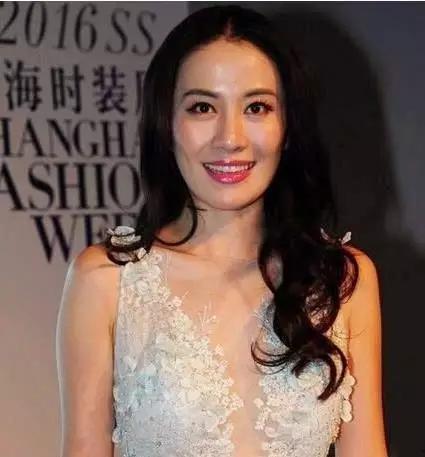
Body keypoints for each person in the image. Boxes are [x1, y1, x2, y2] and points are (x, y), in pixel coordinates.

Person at [56, 5, 388, 457]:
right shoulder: (107, 280)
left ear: (288, 127)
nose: (230, 138)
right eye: (202, 107)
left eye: (256, 107)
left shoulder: (341, 280)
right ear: (167, 124)